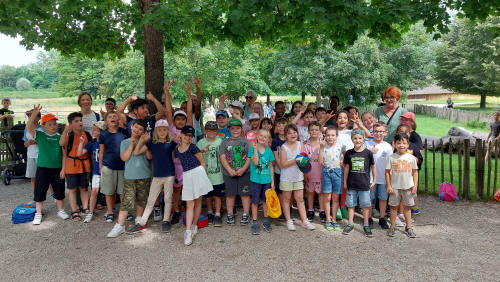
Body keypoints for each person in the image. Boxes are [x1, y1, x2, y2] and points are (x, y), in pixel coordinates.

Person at [128, 119, 176, 234]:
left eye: (164, 130)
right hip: (157, 176)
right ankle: (142, 223)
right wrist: (142, 141)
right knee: (151, 200)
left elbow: (181, 150)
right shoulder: (151, 143)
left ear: (168, 131)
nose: (162, 132)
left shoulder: (171, 143)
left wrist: (179, 139)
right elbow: (136, 152)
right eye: (159, 130)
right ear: (156, 131)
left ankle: (165, 221)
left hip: (169, 175)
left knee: (168, 199)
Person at [107, 119, 152, 238]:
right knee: (127, 201)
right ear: (132, 127)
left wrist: (144, 143)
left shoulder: (145, 141)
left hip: (144, 174)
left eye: (141, 129)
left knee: (141, 199)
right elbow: (124, 158)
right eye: (136, 127)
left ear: (143, 132)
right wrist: (132, 145)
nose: (137, 130)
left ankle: (139, 219)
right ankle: (120, 225)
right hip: (130, 176)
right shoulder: (125, 142)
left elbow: (149, 156)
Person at [27, 105, 69, 225]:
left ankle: (61, 210)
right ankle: (38, 213)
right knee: (39, 191)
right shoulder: (40, 135)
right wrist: (35, 113)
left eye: (54, 124)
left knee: (59, 191)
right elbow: (29, 127)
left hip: (57, 169)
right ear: (43, 126)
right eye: (49, 124)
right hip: (43, 169)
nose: (53, 126)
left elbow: (64, 154)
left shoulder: (59, 137)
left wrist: (63, 169)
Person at [175, 125, 213, 246]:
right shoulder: (177, 149)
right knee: (189, 203)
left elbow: (202, 163)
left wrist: (200, 176)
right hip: (187, 176)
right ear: (181, 135)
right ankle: (187, 231)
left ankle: (194, 225)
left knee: (197, 202)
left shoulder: (193, 147)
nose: (188, 138)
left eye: (191, 136)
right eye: (186, 135)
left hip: (197, 173)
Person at [164, 80, 194, 224]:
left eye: (183, 119)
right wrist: (167, 92)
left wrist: (189, 95)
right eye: (178, 119)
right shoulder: (172, 128)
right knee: (176, 190)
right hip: (175, 165)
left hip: (187, 164)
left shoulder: (188, 128)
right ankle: (175, 210)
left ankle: (187, 209)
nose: (180, 121)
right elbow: (169, 111)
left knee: (187, 188)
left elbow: (189, 111)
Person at [280, 124, 315, 231]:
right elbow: (283, 164)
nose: (292, 134)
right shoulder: (283, 147)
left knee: (300, 199)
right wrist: (295, 159)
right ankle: (288, 221)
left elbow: (303, 162)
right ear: (285, 135)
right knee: (286, 199)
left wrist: (305, 172)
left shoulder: (300, 144)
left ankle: (304, 221)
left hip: (298, 176)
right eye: (289, 133)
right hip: (286, 177)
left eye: (294, 132)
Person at [342, 129, 376, 237]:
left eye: (360, 138)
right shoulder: (349, 153)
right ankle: (350, 223)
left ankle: (366, 224)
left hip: (364, 184)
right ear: (352, 139)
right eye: (355, 138)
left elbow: (373, 167)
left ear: (363, 139)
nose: (357, 140)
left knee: (365, 206)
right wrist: (345, 181)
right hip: (352, 184)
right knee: (351, 205)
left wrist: (374, 180)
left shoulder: (368, 153)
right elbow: (346, 168)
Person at [60, 112, 92, 221]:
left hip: (84, 165)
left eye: (80, 120)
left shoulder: (87, 135)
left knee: (84, 188)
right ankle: (74, 210)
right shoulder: (69, 135)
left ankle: (85, 207)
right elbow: (61, 144)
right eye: (76, 121)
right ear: (71, 124)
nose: (80, 123)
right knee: (72, 189)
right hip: (71, 166)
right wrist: (65, 130)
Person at [385, 133, 418, 238]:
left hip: (408, 187)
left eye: (404, 143)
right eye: (398, 143)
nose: (401, 145)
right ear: (394, 144)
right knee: (393, 208)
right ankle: (393, 226)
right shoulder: (391, 158)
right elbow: (387, 172)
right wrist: (389, 186)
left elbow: (415, 172)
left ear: (408, 144)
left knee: (407, 208)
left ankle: (408, 227)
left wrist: (415, 185)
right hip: (395, 187)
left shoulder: (411, 158)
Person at [219, 119, 252, 225]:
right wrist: (229, 170)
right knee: (230, 195)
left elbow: (249, 157)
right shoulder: (224, 143)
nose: (235, 130)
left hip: (245, 173)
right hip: (229, 174)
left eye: (237, 128)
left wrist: (243, 169)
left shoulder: (247, 142)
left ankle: (246, 213)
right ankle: (230, 214)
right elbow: (222, 157)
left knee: (245, 194)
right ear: (229, 130)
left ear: (241, 129)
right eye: (232, 128)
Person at [99, 111, 129, 223]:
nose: (112, 118)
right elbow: (101, 152)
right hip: (108, 166)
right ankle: (110, 212)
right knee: (109, 191)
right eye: (109, 117)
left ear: (119, 120)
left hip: (122, 166)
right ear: (106, 121)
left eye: (114, 116)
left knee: (122, 192)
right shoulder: (103, 134)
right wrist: (100, 166)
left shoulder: (124, 133)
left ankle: (124, 211)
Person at [197, 121, 225, 226]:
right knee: (208, 195)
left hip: (218, 175)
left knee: (218, 195)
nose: (211, 132)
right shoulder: (201, 143)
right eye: (209, 129)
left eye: (214, 130)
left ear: (217, 131)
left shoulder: (220, 141)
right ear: (205, 130)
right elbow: (197, 156)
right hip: (206, 174)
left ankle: (217, 214)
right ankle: (209, 212)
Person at [365, 122, 393, 229]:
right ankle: (370, 217)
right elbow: (364, 161)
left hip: (383, 177)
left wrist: (390, 179)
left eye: (381, 131)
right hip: (370, 178)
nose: (378, 134)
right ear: (372, 132)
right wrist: (370, 153)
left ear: (385, 133)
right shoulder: (368, 144)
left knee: (382, 198)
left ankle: (382, 218)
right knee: (370, 199)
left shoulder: (388, 146)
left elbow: (390, 163)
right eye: (376, 131)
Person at [77, 121, 106, 223]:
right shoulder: (92, 143)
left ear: (101, 132)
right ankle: (90, 212)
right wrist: (81, 143)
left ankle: (110, 211)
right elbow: (80, 153)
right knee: (94, 191)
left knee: (108, 192)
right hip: (96, 171)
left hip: (106, 170)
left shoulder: (106, 142)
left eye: (95, 130)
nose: (93, 131)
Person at [248, 129, 275, 235]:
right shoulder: (251, 149)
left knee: (265, 201)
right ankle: (254, 222)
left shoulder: (269, 151)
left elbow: (271, 167)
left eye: (265, 137)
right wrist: (255, 150)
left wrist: (272, 182)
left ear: (268, 139)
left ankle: (266, 220)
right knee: (255, 201)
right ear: (257, 136)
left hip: (267, 180)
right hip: (255, 180)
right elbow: (255, 163)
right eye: (261, 135)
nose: (263, 138)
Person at [319, 126, 343, 231]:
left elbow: (343, 159)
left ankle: (334, 219)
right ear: (325, 136)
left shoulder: (340, 146)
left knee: (335, 198)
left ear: (336, 136)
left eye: (333, 135)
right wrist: (321, 148)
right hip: (326, 172)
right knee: (327, 197)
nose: (330, 137)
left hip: (337, 172)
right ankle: (328, 219)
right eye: (328, 135)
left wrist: (342, 162)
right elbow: (320, 161)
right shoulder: (323, 147)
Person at [23, 109, 49, 206]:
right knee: (33, 178)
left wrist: (38, 141)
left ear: (39, 118)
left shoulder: (42, 129)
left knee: (45, 177)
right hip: (30, 155)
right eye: (30, 116)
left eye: (34, 116)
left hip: (41, 155)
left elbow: (46, 142)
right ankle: (36, 197)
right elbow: (25, 143)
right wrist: (28, 142)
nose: (32, 118)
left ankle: (54, 195)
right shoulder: (27, 129)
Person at [304, 122, 323, 222]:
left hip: (320, 173)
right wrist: (305, 173)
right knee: (310, 193)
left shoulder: (323, 143)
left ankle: (322, 210)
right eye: (312, 130)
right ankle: (310, 210)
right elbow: (303, 161)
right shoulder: (305, 144)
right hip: (309, 173)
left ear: (320, 131)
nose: (314, 132)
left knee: (321, 193)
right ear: (308, 131)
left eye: (316, 130)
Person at [271, 117, 287, 219]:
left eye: (283, 124)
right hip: (279, 170)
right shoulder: (275, 141)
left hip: (290, 170)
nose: (281, 127)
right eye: (279, 125)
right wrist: (282, 168)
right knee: (280, 190)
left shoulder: (291, 138)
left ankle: (287, 209)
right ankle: (282, 208)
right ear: (276, 127)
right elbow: (275, 157)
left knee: (289, 191)